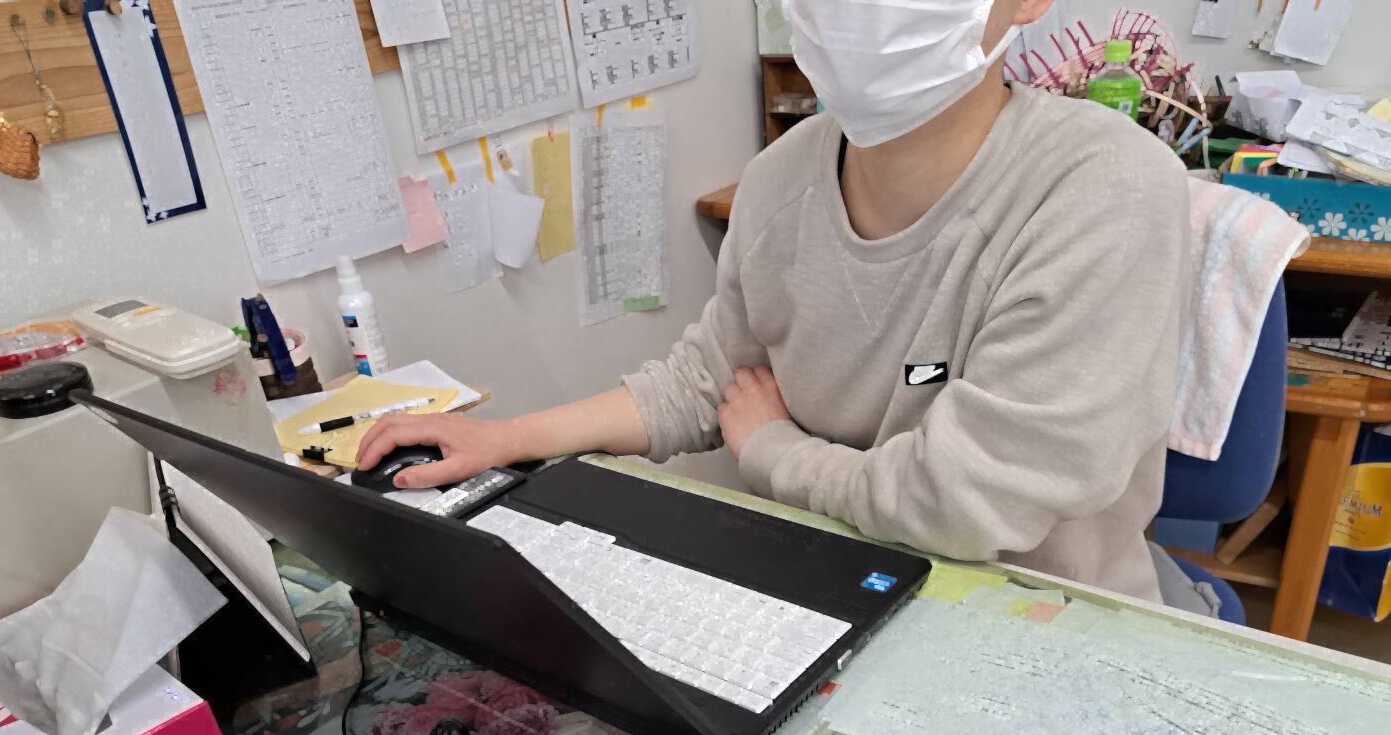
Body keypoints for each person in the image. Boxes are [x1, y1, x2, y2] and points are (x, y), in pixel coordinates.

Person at [357, 0, 1190, 604]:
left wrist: (773, 452)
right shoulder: (780, 177)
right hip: (827, 586)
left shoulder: (1103, 189)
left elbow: (964, 502)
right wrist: (505, 439)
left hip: (1031, 618)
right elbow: (705, 381)